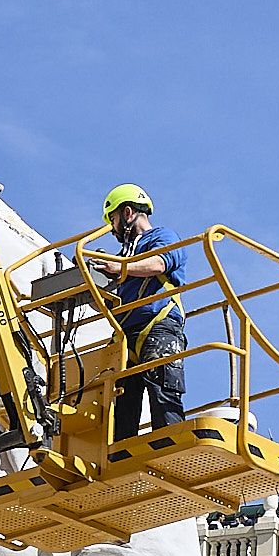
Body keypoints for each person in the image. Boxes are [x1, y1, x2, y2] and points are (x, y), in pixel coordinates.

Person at [87, 185, 192, 436]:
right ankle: (120, 458)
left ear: (127, 213)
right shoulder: (124, 255)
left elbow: (158, 263)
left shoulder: (162, 237)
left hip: (158, 326)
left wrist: (119, 267)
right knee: (120, 408)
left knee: (163, 396)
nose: (112, 229)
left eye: (113, 220)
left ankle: (171, 449)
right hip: (125, 335)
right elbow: (107, 301)